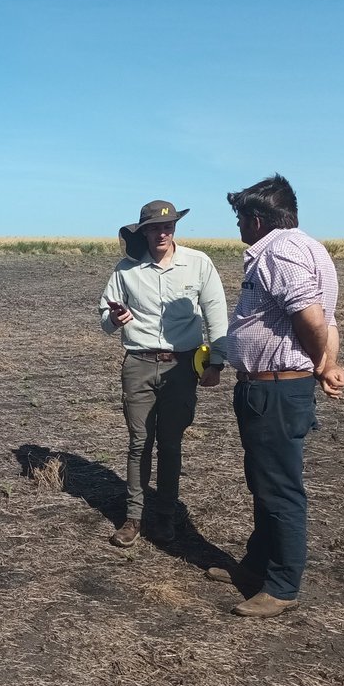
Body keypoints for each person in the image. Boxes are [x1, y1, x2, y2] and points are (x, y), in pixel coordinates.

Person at [210, 174, 344, 618]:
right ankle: (257, 567)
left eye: (239, 219)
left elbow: (311, 319)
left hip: (276, 388)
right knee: (264, 482)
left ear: (256, 220)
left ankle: (283, 585)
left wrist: (318, 361)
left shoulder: (280, 250)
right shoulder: (310, 247)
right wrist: (326, 364)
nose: (238, 229)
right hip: (273, 387)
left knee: (280, 489)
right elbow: (330, 320)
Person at [99, 200, 229, 547]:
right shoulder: (125, 270)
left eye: (169, 226)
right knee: (139, 442)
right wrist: (114, 319)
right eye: (155, 227)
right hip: (138, 363)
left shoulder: (198, 263)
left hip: (182, 366)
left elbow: (215, 310)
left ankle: (166, 516)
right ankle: (133, 517)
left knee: (171, 443)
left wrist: (217, 360)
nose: (163, 232)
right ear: (143, 231)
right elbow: (104, 319)